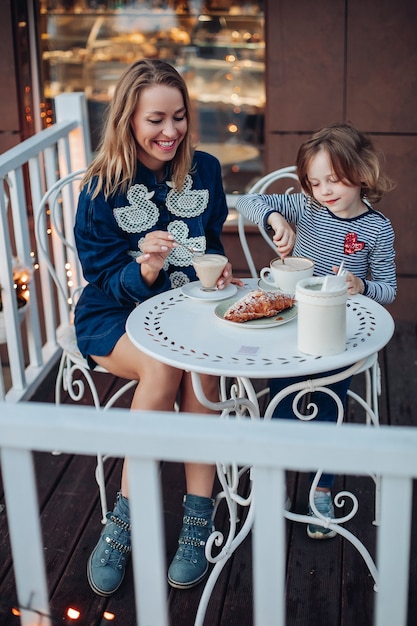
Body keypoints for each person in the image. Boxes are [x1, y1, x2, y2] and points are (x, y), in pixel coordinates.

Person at [74, 58, 243, 596]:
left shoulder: (205, 170)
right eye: (155, 120)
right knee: (166, 366)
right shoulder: (102, 187)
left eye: (179, 117)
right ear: (128, 120)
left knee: (203, 373)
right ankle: (125, 521)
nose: (170, 132)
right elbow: (99, 275)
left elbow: (209, 239)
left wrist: (214, 269)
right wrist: (145, 267)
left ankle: (197, 520)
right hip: (113, 315)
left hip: (186, 309)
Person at [236, 122, 396, 538]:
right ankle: (274, 478)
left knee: (329, 406)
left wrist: (362, 286)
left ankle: (321, 483)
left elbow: (389, 290)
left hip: (336, 335)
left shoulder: (377, 229)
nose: (324, 190)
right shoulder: (305, 209)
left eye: (334, 179)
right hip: (287, 326)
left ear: (362, 171)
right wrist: (274, 215)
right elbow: (246, 201)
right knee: (280, 404)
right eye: (314, 181)